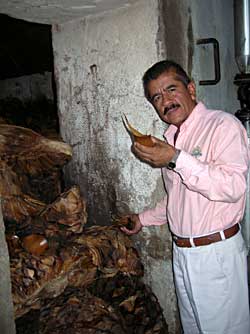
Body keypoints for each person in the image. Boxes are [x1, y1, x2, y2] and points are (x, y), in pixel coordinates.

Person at [121, 60, 250, 334]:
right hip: (182, 253)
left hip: (216, 254)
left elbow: (233, 187)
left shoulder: (222, 126)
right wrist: (142, 219)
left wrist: (177, 159)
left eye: (171, 89)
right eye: (157, 97)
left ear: (190, 89)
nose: (165, 101)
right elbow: (177, 198)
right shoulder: (172, 139)